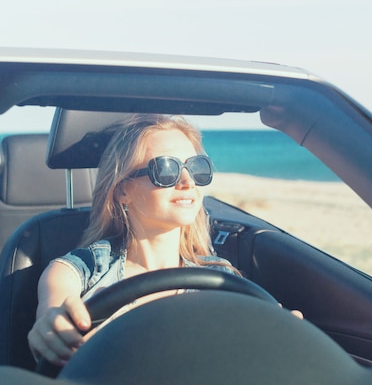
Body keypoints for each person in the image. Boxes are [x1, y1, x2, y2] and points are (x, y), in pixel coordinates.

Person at [28, 114, 300, 367]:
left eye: (197, 168)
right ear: (123, 190)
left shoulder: (221, 277)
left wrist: (283, 332)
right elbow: (55, 309)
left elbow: (259, 338)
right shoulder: (84, 269)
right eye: (166, 169)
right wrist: (54, 327)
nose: (187, 181)